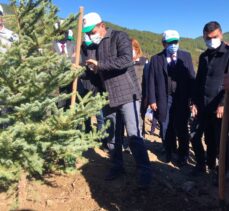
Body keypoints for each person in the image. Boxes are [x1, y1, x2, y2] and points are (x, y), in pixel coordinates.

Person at [82, 12, 151, 188]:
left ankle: (144, 171)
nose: (91, 34)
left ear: (102, 25)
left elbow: (126, 60)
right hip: (108, 96)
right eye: (87, 32)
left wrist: (100, 65)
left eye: (92, 30)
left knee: (134, 135)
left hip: (128, 94)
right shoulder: (93, 46)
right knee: (113, 135)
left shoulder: (119, 37)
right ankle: (117, 166)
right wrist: (86, 70)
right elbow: (97, 74)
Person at [148, 30, 195, 166]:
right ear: (164, 44)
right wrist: (152, 99)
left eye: (176, 42)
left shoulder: (186, 56)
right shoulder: (156, 59)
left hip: (182, 98)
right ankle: (169, 150)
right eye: (170, 42)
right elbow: (151, 80)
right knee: (165, 126)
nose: (174, 45)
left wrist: (193, 100)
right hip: (164, 98)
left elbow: (191, 77)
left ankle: (183, 154)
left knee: (181, 127)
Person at [191, 21, 229, 174]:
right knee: (195, 135)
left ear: (221, 34)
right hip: (202, 105)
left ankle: (222, 171)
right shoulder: (203, 56)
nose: (211, 40)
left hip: (219, 106)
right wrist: (193, 102)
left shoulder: (228, 53)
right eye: (208, 38)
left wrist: (223, 103)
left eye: (215, 37)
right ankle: (202, 165)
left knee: (220, 141)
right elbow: (199, 80)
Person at [53, 20, 76, 110]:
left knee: (68, 107)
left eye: (65, 32)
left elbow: (78, 60)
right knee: (56, 108)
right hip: (56, 84)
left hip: (71, 84)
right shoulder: (49, 46)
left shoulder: (73, 46)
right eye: (61, 32)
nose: (64, 34)